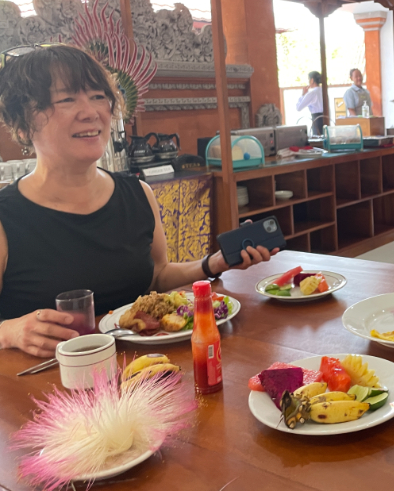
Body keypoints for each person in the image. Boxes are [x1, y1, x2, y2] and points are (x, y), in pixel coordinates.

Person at [0, 45, 277, 358]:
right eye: (67, 99)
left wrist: (211, 264)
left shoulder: (137, 194)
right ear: (22, 125)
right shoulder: (6, 218)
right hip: (46, 380)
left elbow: (156, 276)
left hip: (145, 372)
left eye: (98, 96)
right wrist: (9, 332)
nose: (91, 112)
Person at [296, 71, 324, 135]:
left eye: (309, 79)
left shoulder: (312, 93)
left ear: (312, 80)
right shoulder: (324, 91)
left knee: (317, 138)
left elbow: (299, 107)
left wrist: (303, 94)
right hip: (325, 119)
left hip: (316, 119)